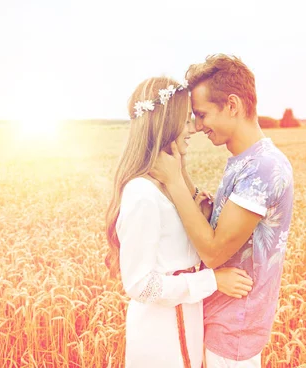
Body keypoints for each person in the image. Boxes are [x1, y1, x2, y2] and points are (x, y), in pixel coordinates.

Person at [150, 54, 294, 367]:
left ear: (232, 105)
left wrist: (174, 181)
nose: (198, 127)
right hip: (221, 319)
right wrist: (185, 174)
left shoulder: (263, 168)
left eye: (202, 115)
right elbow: (224, 232)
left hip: (233, 330)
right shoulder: (246, 160)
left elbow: (214, 252)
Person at [105, 76, 254, 368]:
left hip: (184, 323)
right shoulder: (142, 193)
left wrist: (205, 213)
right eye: (185, 120)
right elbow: (140, 285)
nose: (193, 129)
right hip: (160, 338)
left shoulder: (170, 187)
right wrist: (212, 281)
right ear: (165, 125)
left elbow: (177, 253)